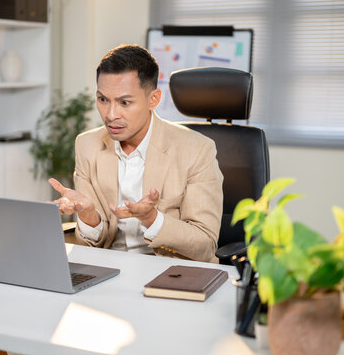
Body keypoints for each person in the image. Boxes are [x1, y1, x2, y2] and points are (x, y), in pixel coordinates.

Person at [49, 44, 223, 262]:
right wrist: (89, 216)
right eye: (103, 99)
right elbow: (91, 245)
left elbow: (204, 245)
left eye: (124, 102)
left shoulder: (197, 150)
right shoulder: (87, 144)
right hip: (109, 269)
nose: (111, 115)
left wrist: (152, 219)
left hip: (169, 272)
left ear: (154, 99)